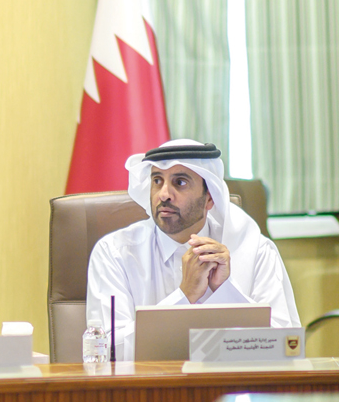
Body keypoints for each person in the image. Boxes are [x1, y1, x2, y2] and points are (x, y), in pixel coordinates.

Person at [87, 139, 300, 360]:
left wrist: (225, 290)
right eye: (157, 181)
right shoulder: (115, 253)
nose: (164, 194)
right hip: (147, 392)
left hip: (234, 389)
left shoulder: (255, 250)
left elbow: (286, 346)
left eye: (180, 182)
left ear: (209, 198)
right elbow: (107, 352)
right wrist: (184, 296)